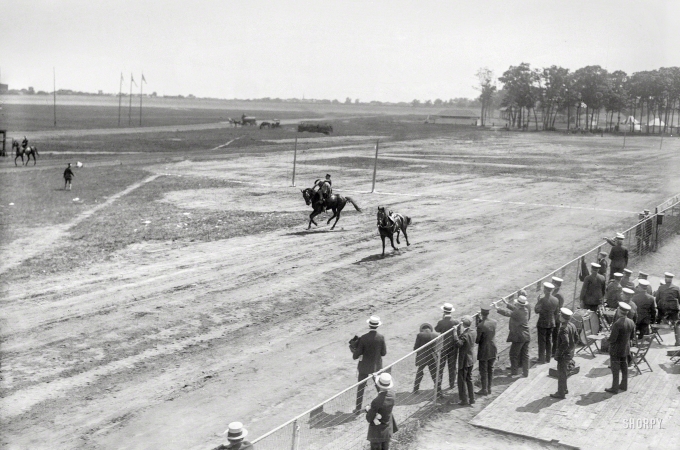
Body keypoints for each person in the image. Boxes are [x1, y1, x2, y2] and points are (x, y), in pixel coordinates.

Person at [354, 316, 387, 413]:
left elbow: (356, 355)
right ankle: (383, 405)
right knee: (379, 386)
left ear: (369, 325)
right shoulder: (381, 337)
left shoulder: (363, 338)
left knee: (361, 387)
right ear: (377, 326)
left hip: (364, 366)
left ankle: (358, 409)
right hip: (376, 366)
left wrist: (354, 351)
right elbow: (383, 353)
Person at [495, 295, 531, 377]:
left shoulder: (518, 312)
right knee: (525, 354)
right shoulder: (525, 309)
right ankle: (526, 372)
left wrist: (497, 308)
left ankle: (514, 372)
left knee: (513, 354)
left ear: (518, 304)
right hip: (526, 335)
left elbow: (508, 313)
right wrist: (506, 303)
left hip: (519, 337)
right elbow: (515, 309)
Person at [605, 303, 635, 394]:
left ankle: (614, 388)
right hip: (625, 349)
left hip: (616, 350)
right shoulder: (631, 322)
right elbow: (632, 336)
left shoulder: (617, 323)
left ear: (619, 311)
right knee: (624, 367)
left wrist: (607, 338)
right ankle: (624, 385)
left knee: (615, 368)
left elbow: (613, 339)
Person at [550, 308, 579, 399]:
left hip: (564, 355)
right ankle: (564, 389)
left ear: (563, 317)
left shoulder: (563, 328)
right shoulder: (572, 325)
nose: (559, 315)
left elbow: (565, 342)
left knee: (561, 373)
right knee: (564, 372)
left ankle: (560, 392)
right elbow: (577, 338)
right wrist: (572, 349)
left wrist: (559, 353)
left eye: (560, 315)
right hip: (569, 353)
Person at [365, 373, 396, 450]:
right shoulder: (392, 394)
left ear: (379, 385)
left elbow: (369, 418)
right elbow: (382, 394)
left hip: (377, 433)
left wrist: (368, 409)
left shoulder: (376, 401)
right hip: (387, 429)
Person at [435, 303, 459, 391]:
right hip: (453, 346)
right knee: (452, 366)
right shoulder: (456, 321)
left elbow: (437, 329)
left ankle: (438, 386)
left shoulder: (441, 322)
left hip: (443, 346)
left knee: (440, 367)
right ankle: (452, 384)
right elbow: (459, 331)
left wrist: (442, 319)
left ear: (444, 312)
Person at [475, 303, 497, 396]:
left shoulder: (480, 326)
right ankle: (489, 388)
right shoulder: (494, 322)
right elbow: (486, 327)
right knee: (490, 369)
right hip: (492, 348)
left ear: (481, 312)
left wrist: (479, 323)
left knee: (483, 370)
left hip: (484, 350)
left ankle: (484, 389)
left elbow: (477, 340)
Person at [535, 282, 559, 364]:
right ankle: (548, 358)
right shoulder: (556, 300)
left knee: (542, 341)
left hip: (542, 323)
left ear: (545, 290)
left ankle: (541, 358)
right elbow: (556, 312)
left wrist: (538, 301)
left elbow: (536, 310)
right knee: (549, 340)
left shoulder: (542, 300)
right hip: (551, 323)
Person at [412, 323, 440, 394]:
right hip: (432, 356)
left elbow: (416, 347)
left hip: (422, 356)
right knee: (434, 373)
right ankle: (438, 389)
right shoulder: (436, 335)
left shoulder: (420, 335)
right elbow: (438, 347)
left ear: (422, 329)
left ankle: (415, 388)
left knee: (419, 371)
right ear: (430, 329)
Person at [455, 316, 476, 405]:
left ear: (463, 324)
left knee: (461, 380)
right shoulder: (473, 331)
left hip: (464, 360)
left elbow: (458, 344)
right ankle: (472, 398)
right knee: (469, 379)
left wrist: (455, 334)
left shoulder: (465, 335)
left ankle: (464, 400)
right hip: (471, 358)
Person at [655, 272, 680, 345]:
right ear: (671, 280)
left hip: (663, 309)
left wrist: (659, 307)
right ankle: (678, 341)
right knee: (676, 324)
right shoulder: (677, 288)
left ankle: (652, 334)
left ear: (665, 279)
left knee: (657, 321)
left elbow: (657, 299)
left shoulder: (660, 288)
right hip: (673, 310)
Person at [550, 277, 565, 359]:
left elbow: (556, 306)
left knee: (555, 335)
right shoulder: (557, 292)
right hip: (556, 316)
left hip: (556, 317)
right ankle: (553, 351)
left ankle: (554, 351)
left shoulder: (558, 294)